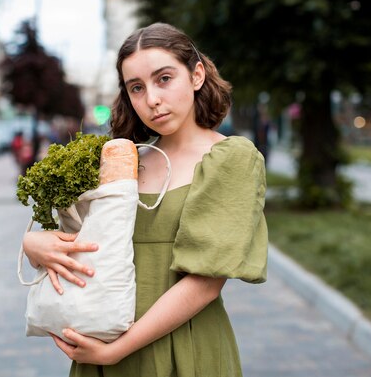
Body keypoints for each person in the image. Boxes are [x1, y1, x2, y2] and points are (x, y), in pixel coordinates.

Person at [22, 22, 268, 377]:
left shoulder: (231, 158)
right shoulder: (123, 162)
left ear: (196, 75)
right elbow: (85, 247)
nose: (151, 99)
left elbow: (204, 283)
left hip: (184, 348)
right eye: (136, 87)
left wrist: (117, 351)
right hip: (102, 347)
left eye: (164, 78)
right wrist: (34, 245)